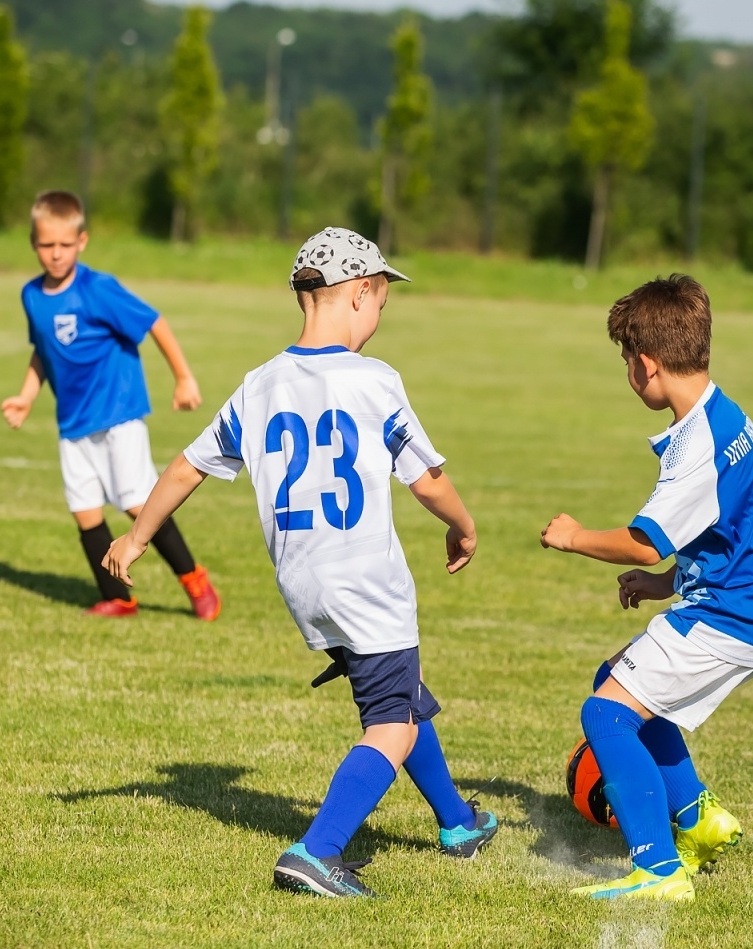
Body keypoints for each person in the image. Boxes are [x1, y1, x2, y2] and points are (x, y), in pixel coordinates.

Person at [104, 227, 498, 898]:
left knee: (400, 693)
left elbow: (187, 466)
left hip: (303, 579)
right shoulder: (375, 381)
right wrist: (463, 527)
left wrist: (137, 538)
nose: (379, 318)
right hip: (365, 574)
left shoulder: (260, 385)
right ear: (359, 295)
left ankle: (457, 822)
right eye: (381, 303)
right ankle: (316, 852)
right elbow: (426, 479)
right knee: (391, 721)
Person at [541, 274, 753, 902]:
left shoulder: (698, 445)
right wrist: (663, 586)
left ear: (647, 364)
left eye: (627, 359)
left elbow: (645, 537)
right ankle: (700, 819)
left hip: (731, 616)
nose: (628, 370)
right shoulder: (724, 412)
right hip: (749, 603)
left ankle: (657, 868)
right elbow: (726, 530)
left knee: (606, 713)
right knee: (616, 679)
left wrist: (574, 536)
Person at [1, 190, 220, 619]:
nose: (56, 254)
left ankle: (194, 578)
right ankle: (119, 598)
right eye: (47, 245)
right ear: (33, 243)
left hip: (118, 415)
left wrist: (183, 376)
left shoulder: (98, 289)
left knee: (139, 504)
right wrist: (27, 397)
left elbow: (153, 321)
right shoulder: (31, 295)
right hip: (73, 423)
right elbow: (43, 350)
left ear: (82, 241)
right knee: (85, 513)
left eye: (65, 245)